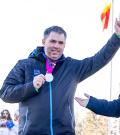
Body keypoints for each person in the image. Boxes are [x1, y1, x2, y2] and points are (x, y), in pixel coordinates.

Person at [0, 18, 120, 135]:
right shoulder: (25, 65)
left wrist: (117, 37)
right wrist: (31, 86)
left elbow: (99, 59)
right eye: (52, 41)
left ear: (64, 45)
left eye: (60, 42)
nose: (56, 46)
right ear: (43, 41)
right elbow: (5, 93)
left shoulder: (72, 67)